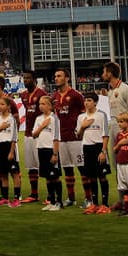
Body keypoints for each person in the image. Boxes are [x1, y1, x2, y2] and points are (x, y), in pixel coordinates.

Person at [51, 70, 85, 207]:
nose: (56, 78)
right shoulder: (54, 97)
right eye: (55, 76)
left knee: (82, 169)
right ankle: (71, 198)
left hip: (75, 138)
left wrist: (81, 131)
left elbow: (83, 114)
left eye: (59, 76)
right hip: (62, 138)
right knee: (67, 169)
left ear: (67, 78)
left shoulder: (76, 95)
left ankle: (89, 199)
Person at [78, 92, 110, 213]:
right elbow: (78, 136)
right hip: (87, 147)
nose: (86, 103)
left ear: (95, 102)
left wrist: (103, 151)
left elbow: (105, 134)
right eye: (85, 100)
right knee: (91, 177)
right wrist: (82, 127)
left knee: (102, 176)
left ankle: (105, 204)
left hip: (99, 147)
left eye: (89, 100)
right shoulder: (81, 117)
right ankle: (95, 204)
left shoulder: (101, 115)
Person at [19, 71, 48, 203]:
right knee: (31, 166)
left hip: (40, 135)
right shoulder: (23, 95)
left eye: (28, 78)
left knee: (44, 165)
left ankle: (50, 195)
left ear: (34, 79)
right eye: (24, 78)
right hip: (27, 134)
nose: (26, 80)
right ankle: (34, 194)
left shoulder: (42, 94)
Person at [31, 96, 62, 211]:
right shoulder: (39, 119)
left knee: (55, 177)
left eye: (44, 103)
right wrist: (42, 126)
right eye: (40, 103)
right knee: (47, 177)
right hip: (41, 149)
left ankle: (59, 202)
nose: (41, 106)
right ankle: (51, 201)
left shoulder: (55, 119)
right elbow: (34, 134)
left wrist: (55, 154)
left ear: (50, 106)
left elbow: (56, 138)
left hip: (50, 150)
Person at [0, 96, 22, 207]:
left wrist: (12, 151)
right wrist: (0, 128)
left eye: (2, 104)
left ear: (8, 106)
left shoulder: (12, 119)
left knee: (14, 173)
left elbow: (14, 136)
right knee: (3, 173)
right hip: (0, 146)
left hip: (10, 146)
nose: (0, 106)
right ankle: (5, 198)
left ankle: (17, 198)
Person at [112, 111, 128, 215]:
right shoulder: (119, 134)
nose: (119, 124)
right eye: (118, 122)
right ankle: (126, 208)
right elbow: (115, 150)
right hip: (121, 163)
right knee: (124, 186)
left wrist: (119, 145)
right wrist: (118, 146)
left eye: (121, 122)